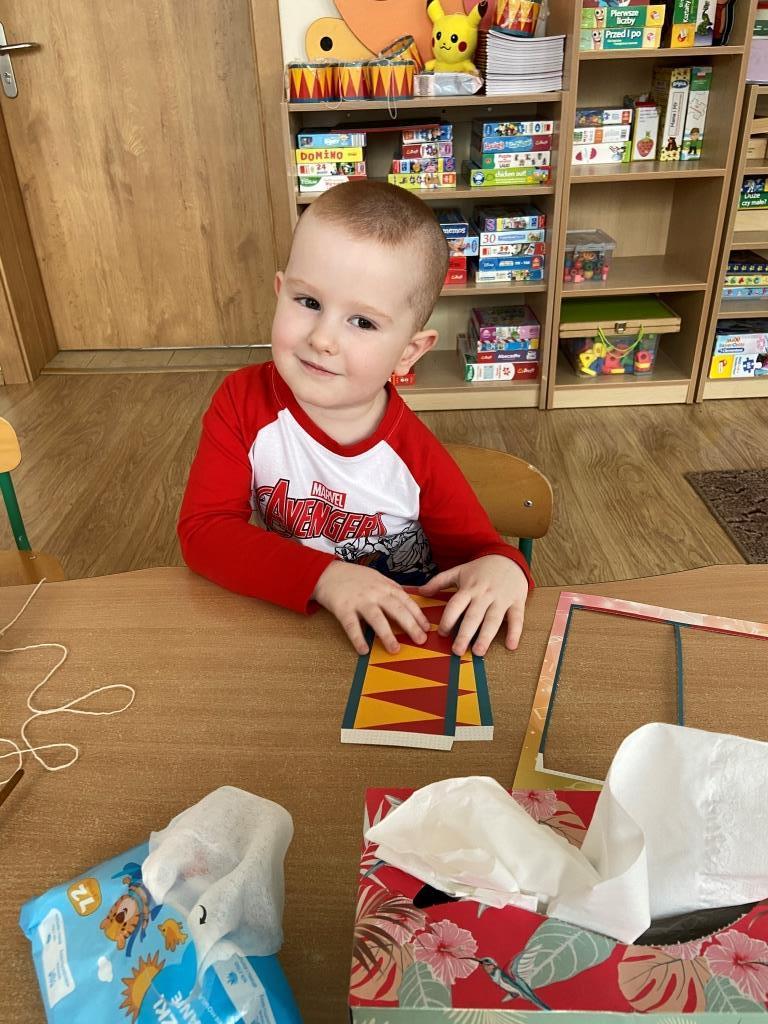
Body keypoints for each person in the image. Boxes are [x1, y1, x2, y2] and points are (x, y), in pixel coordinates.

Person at [178, 181, 533, 659]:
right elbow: (204, 531)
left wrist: (507, 570)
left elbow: (485, 554)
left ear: (408, 352)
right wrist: (324, 577)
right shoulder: (241, 402)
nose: (322, 339)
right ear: (280, 292)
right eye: (308, 302)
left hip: (396, 645)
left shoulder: (414, 457)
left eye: (362, 322)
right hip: (299, 625)